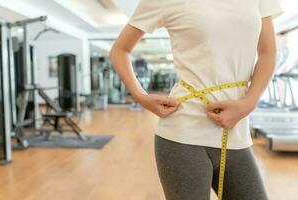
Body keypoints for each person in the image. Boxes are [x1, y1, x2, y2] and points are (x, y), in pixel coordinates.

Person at [110, 0, 283, 199]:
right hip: (183, 133)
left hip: (237, 132)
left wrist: (249, 103)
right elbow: (120, 50)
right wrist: (141, 97)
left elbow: (268, 52)